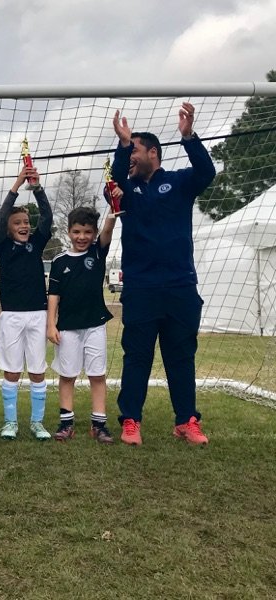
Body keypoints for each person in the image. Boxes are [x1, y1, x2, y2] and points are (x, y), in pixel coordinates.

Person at [110, 102, 216, 445]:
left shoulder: (180, 182)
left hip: (180, 287)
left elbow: (206, 173)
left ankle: (186, 420)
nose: (131, 157)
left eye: (136, 149)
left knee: (181, 356)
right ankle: (131, 421)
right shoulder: (126, 190)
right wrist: (123, 145)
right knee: (137, 356)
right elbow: (113, 182)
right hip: (141, 288)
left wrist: (189, 138)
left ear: (153, 152)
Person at [47, 204, 118, 444]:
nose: (82, 237)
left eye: (88, 232)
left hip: (95, 325)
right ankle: (66, 423)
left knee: (97, 375)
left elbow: (109, 226)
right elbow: (53, 296)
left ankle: (99, 424)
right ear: (69, 232)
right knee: (68, 375)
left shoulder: (98, 252)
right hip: (67, 328)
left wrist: (113, 203)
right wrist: (51, 325)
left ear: (94, 233)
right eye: (77, 232)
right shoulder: (59, 261)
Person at [0, 166, 53, 441]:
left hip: (38, 315)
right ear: (8, 229)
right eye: (18, 223)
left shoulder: (36, 244)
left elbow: (47, 218)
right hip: (12, 317)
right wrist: (18, 182)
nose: (24, 225)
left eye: (26, 222)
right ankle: (10, 422)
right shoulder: (2, 246)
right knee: (12, 370)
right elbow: (3, 213)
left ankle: (37, 423)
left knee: (37, 370)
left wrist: (37, 188)